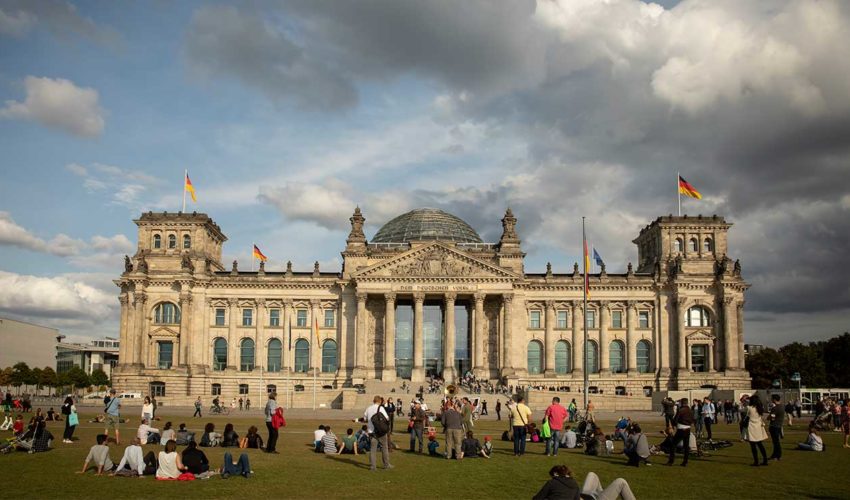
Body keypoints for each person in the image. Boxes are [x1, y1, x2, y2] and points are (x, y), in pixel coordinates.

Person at [364, 395, 392, 470]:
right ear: (380, 401)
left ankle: (373, 466)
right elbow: (387, 418)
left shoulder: (368, 408)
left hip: (371, 432)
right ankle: (386, 464)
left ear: (373, 401)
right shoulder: (381, 408)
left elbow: (365, 418)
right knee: (384, 447)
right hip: (381, 431)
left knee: (373, 449)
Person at [667, 398, 694, 467]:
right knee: (686, 446)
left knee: (673, 444)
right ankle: (685, 462)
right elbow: (692, 420)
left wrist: (671, 418)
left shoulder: (681, 410)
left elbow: (675, 421)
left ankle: (671, 461)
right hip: (688, 429)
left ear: (682, 403)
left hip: (681, 429)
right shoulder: (690, 410)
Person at [744, 394, 769, 466]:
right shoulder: (760, 408)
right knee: (760, 444)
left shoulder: (749, 408)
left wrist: (745, 401)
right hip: (758, 427)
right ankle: (765, 460)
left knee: (753, 446)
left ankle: (756, 461)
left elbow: (743, 411)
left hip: (752, 427)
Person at [768, 394, 785, 460]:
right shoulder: (782, 406)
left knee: (776, 442)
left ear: (774, 399)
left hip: (774, 426)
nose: (771, 400)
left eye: (772, 398)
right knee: (776, 441)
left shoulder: (775, 408)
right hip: (779, 425)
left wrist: (768, 417)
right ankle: (775, 455)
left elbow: (772, 417)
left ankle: (778, 455)